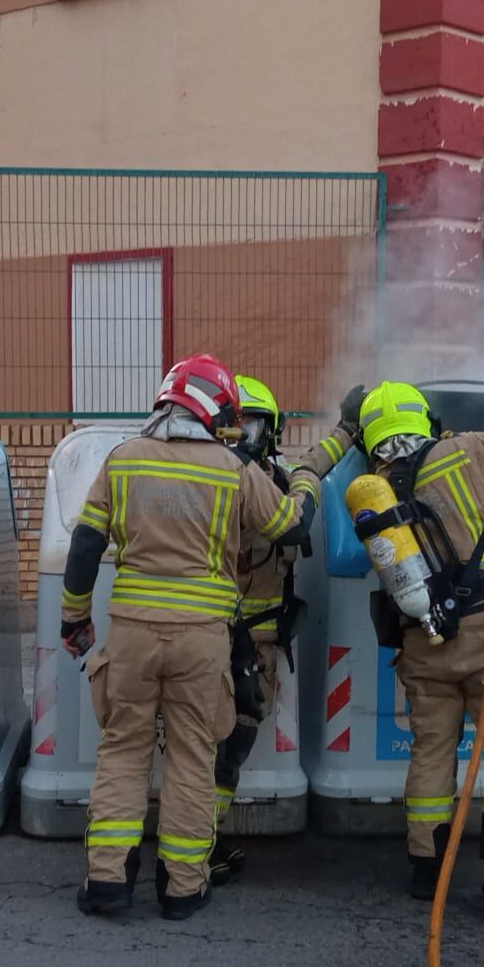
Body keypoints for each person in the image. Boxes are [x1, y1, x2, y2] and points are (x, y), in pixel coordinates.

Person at [60, 356, 355, 920]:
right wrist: (305, 483)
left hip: (132, 637)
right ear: (214, 411)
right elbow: (290, 527)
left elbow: (85, 544)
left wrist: (75, 619)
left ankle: (107, 882)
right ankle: (182, 888)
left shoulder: (123, 459)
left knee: (122, 751)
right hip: (202, 643)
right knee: (194, 758)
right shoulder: (232, 469)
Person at [356, 380, 484, 923]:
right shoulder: (466, 451)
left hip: (421, 642)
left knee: (432, 750)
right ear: (424, 420)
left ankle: (427, 867)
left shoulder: (374, 489)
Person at [206, 375, 348, 884]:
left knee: (234, 745)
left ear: (270, 431)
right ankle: (195, 845)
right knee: (205, 745)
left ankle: (201, 838)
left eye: (251, 425)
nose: (240, 435)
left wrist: (347, 431)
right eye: (233, 424)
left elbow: (312, 470)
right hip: (209, 638)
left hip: (257, 644)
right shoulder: (208, 480)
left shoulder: (280, 482)